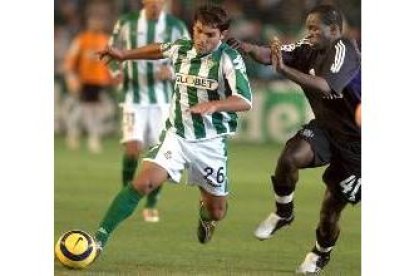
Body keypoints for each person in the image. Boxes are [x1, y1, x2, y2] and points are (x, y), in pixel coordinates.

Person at [93, 4, 252, 259]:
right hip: (176, 136)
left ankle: (205, 216)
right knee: (143, 182)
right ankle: (97, 241)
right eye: (198, 31)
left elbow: (245, 100)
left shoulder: (229, 59)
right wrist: (124, 55)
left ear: (222, 34)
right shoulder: (183, 47)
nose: (202, 39)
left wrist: (214, 105)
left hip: (210, 144)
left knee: (217, 212)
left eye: (210, 35)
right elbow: (159, 49)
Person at [228, 4, 361, 274]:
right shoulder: (307, 48)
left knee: (329, 211)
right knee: (290, 157)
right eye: (308, 27)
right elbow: (271, 55)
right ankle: (283, 213)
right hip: (326, 129)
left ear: (334, 30)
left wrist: (284, 71)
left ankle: (320, 253)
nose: (309, 32)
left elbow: (326, 85)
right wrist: (243, 46)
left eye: (315, 28)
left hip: (358, 148)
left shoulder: (344, 48)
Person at [108, 0, 190, 223]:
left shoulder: (176, 26)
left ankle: (152, 204)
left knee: (160, 156)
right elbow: (111, 50)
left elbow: (191, 59)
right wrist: (115, 71)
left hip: (163, 102)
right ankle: (126, 196)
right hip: (133, 98)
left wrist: (171, 71)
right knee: (133, 149)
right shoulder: (126, 22)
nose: (156, 3)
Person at [64, 5, 114, 154]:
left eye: (99, 21)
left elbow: (111, 62)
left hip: (100, 81)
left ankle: (85, 135)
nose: (96, 24)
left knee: (95, 110)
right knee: (85, 109)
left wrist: (113, 77)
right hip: (85, 80)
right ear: (89, 22)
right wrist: (71, 78)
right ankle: (82, 135)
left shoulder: (106, 40)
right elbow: (70, 60)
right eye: (94, 21)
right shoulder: (82, 39)